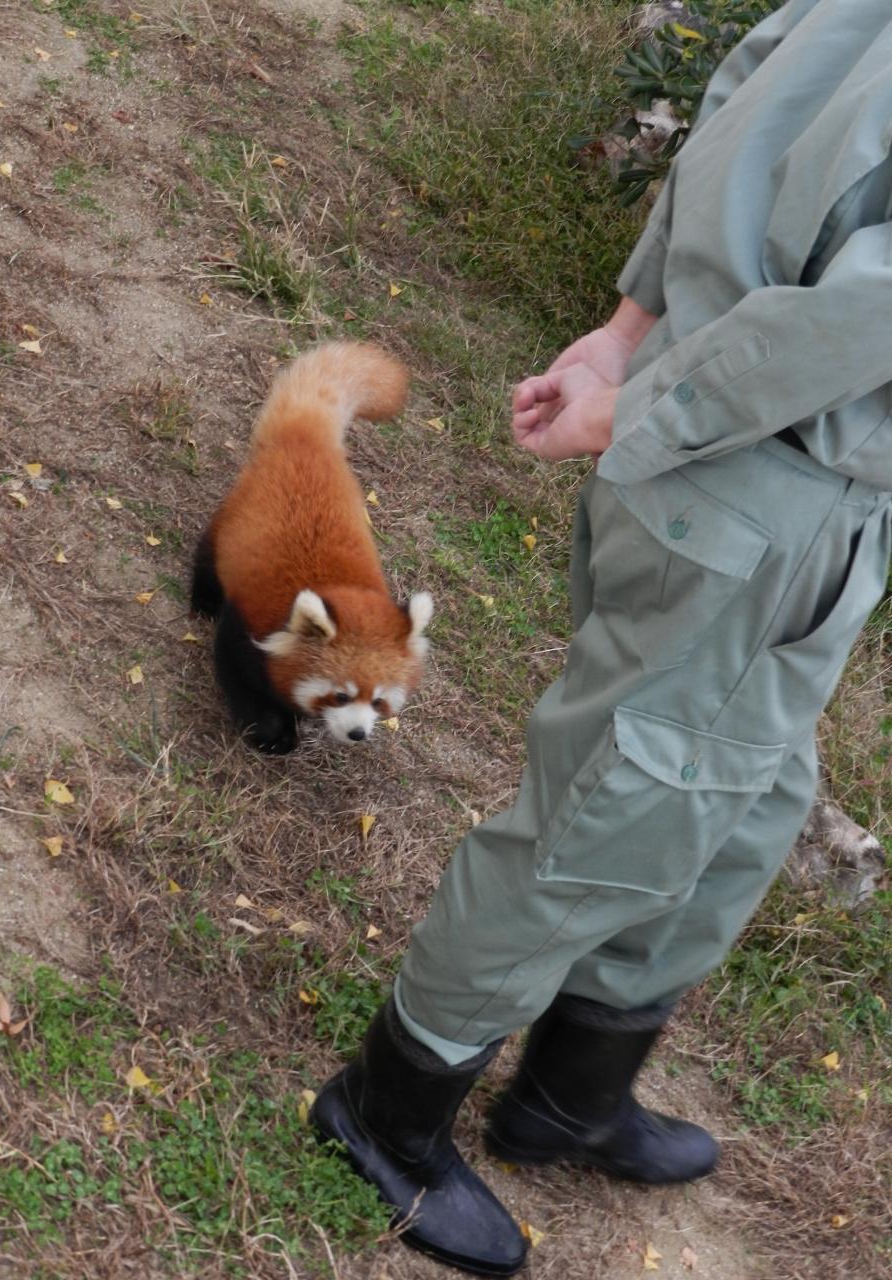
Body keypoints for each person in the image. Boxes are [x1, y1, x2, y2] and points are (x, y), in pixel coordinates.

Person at [311, 1, 892, 1274]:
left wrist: (633, 337)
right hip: (761, 461)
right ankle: (388, 1109)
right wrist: (642, 391)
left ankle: (570, 1096)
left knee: (739, 805)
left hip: (759, 461)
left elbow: (745, 88)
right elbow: (862, 313)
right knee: (605, 821)